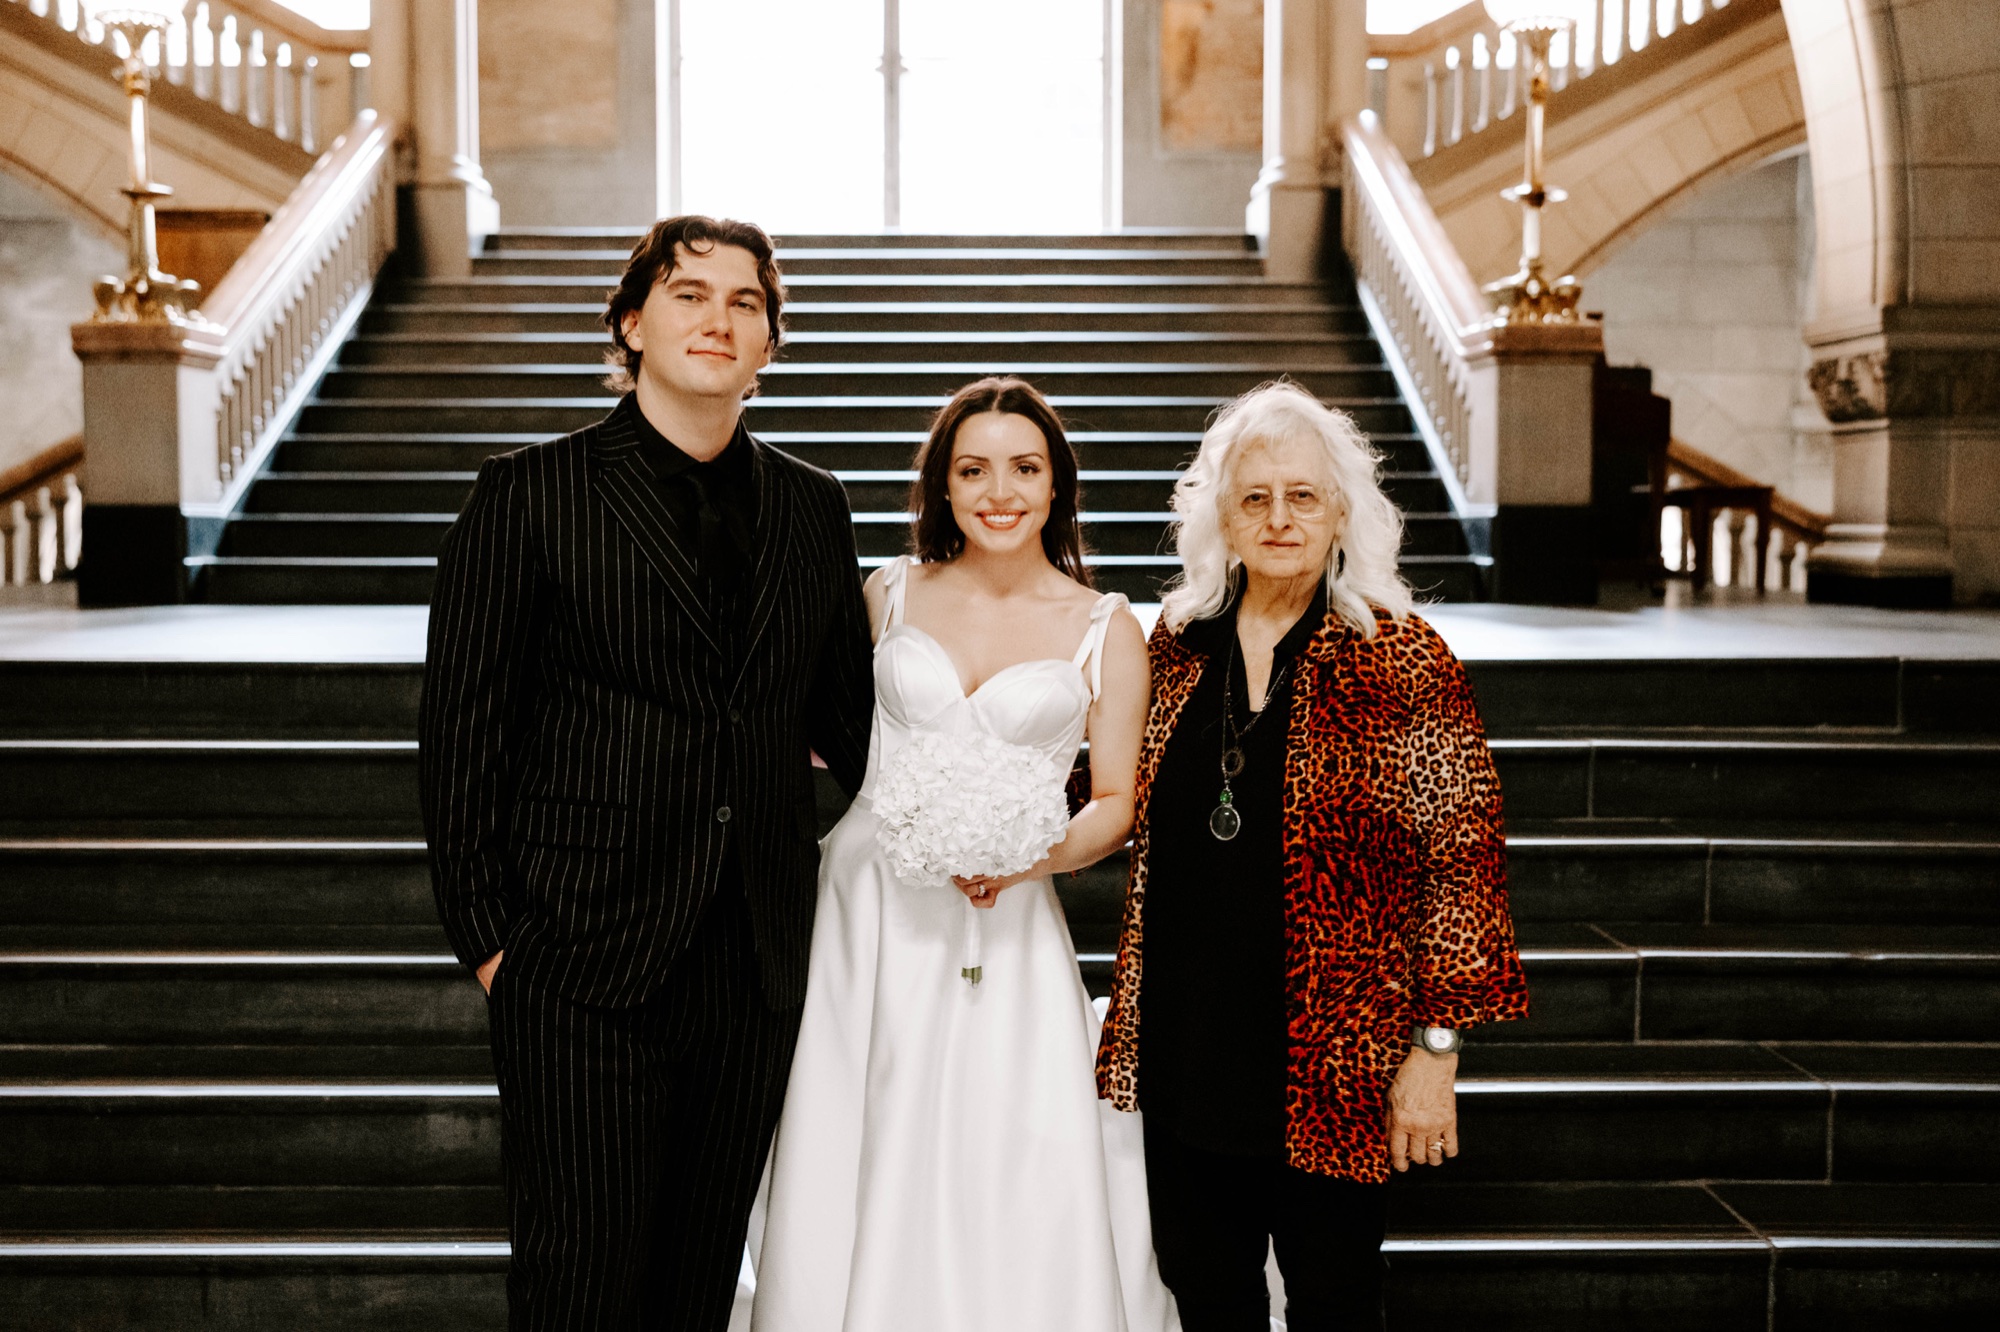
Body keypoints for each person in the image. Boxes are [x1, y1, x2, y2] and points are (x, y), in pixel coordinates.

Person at [418, 214, 876, 1331]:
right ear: (631, 323)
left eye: (746, 302)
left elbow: (856, 728)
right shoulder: (529, 495)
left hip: (753, 964)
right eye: (688, 294)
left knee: (694, 1290)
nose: (719, 319)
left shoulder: (815, 509)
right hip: (580, 969)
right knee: (579, 1290)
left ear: (769, 342)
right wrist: (496, 950)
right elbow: (461, 739)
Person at [1096, 381, 1530, 1332]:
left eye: (1303, 495)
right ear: (1220, 515)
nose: (1280, 517)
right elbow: (1108, 796)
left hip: (1336, 1057)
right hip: (1187, 1045)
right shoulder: (1175, 645)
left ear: (1344, 510)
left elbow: (1464, 862)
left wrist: (1437, 1051)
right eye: (1255, 497)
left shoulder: (1399, 658)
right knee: (1206, 1293)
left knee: (1333, 1302)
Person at [750, 377, 1178, 1332]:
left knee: (1003, 1142)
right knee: (854, 1127)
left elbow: (1115, 804)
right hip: (867, 902)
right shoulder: (886, 592)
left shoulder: (1107, 626)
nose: (1000, 491)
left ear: (1057, 484)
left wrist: (1027, 856)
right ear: (940, 487)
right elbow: (827, 728)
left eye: (1025, 468)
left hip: (1008, 913)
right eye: (973, 468)